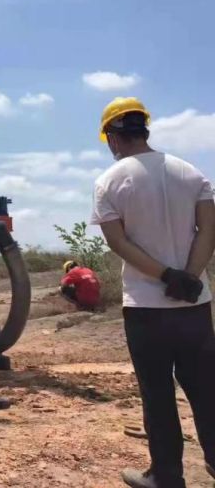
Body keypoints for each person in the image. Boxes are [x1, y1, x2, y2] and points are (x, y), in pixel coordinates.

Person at [89, 96, 215, 488]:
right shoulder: (192, 174)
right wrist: (189, 278)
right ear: (144, 129)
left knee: (157, 392)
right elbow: (208, 231)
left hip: (145, 307)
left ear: (112, 137)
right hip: (195, 303)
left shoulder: (109, 182)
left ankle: (167, 475)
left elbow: (118, 243)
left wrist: (165, 275)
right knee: (206, 388)